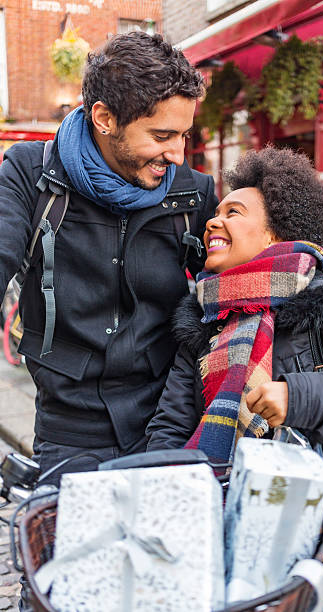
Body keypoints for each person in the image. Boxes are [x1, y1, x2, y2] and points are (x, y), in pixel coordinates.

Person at [146, 146, 323, 611]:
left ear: (274, 234)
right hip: (214, 551)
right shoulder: (202, 322)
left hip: (316, 564)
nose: (212, 221)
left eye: (234, 211)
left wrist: (307, 397)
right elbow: (170, 428)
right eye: (216, 211)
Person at [0, 31, 217, 484]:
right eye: (161, 135)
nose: (176, 154)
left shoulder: (193, 194)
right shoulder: (29, 173)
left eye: (183, 135)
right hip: (67, 430)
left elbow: (243, 279)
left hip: (169, 422)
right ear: (104, 117)